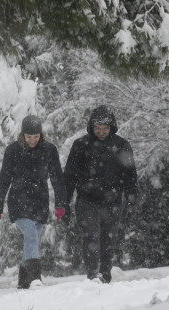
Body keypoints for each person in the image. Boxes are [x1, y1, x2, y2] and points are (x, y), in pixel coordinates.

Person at [0, 115, 68, 289]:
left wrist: (61, 203)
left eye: (36, 136)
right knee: (31, 236)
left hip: (40, 201)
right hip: (18, 200)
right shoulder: (12, 151)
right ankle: (35, 279)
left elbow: (57, 178)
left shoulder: (49, 150)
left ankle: (24, 284)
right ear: (22, 134)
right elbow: (4, 178)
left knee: (32, 240)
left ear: (41, 134)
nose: (32, 140)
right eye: (29, 137)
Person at [64, 105, 137, 284]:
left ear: (112, 127)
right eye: (98, 128)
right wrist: (63, 202)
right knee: (90, 237)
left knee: (108, 240)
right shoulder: (80, 145)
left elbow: (130, 176)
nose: (102, 132)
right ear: (91, 127)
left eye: (105, 128)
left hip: (113, 201)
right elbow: (70, 176)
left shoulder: (121, 145)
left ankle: (105, 274)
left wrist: (131, 198)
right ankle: (92, 274)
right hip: (86, 201)